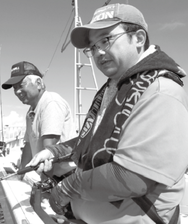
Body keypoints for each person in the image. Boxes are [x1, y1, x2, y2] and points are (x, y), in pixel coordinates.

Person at [28, 3, 188, 224]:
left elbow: (133, 177)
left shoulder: (160, 91)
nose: (98, 52)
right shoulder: (115, 87)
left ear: (139, 38)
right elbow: (94, 140)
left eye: (106, 39)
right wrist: (54, 152)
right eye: (92, 47)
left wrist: (66, 187)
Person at [2, 61, 77, 183]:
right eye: (14, 88)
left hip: (64, 178)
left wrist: (46, 184)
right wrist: (20, 175)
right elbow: (28, 147)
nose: (17, 92)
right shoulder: (31, 111)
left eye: (21, 85)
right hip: (49, 177)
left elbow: (49, 150)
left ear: (38, 83)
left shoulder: (51, 103)